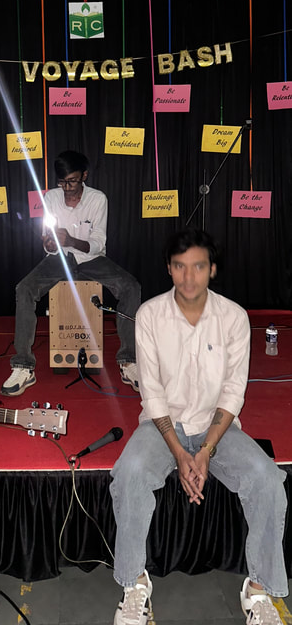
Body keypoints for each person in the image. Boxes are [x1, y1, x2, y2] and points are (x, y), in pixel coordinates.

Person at [110, 228, 288, 625]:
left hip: (217, 429)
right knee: (129, 473)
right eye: (180, 266)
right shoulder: (149, 315)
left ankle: (258, 590)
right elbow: (152, 393)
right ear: (168, 268)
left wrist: (205, 450)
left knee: (267, 479)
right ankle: (134, 584)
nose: (188, 278)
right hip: (162, 427)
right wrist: (179, 452)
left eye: (198, 267)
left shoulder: (234, 318)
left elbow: (233, 392)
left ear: (212, 269)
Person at [1, 150, 141, 396]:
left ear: (84, 176)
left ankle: (128, 361)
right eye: (62, 182)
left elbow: (98, 243)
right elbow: (47, 239)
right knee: (24, 289)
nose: (67, 188)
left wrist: (72, 241)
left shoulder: (98, 199)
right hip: (59, 259)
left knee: (131, 287)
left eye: (72, 181)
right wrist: (49, 244)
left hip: (91, 259)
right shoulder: (51, 197)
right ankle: (23, 366)